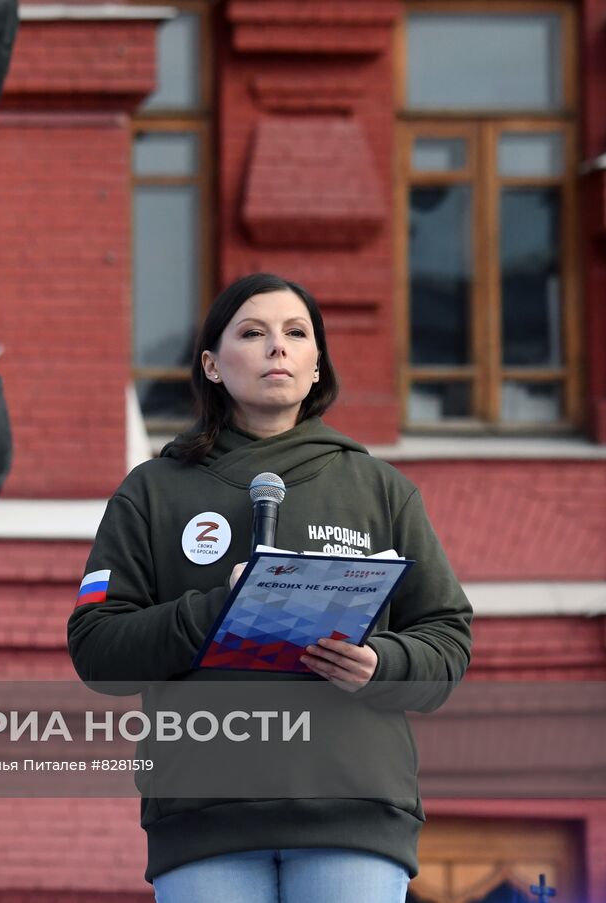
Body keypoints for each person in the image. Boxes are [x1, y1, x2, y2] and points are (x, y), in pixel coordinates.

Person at [67, 273, 472, 902]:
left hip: (354, 813)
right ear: (211, 365)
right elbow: (97, 649)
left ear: (316, 367)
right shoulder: (152, 492)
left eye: (295, 333)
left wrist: (381, 663)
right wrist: (211, 612)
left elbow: (447, 641)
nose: (276, 348)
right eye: (252, 333)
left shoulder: (379, 489)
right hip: (204, 820)